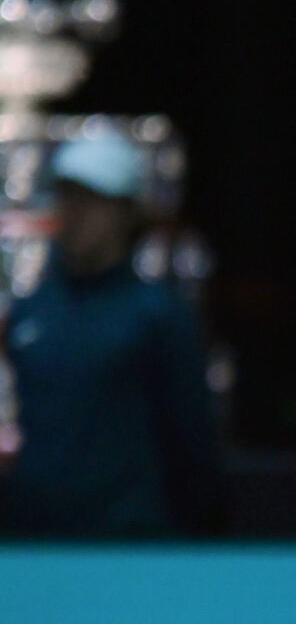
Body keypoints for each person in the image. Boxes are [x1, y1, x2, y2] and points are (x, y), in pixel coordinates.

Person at [0, 133, 224, 537]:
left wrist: (200, 538)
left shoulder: (159, 315)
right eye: (67, 197)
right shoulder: (29, 310)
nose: (76, 213)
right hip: (33, 542)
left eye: (92, 201)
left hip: (129, 540)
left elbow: (192, 437)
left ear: (125, 214)